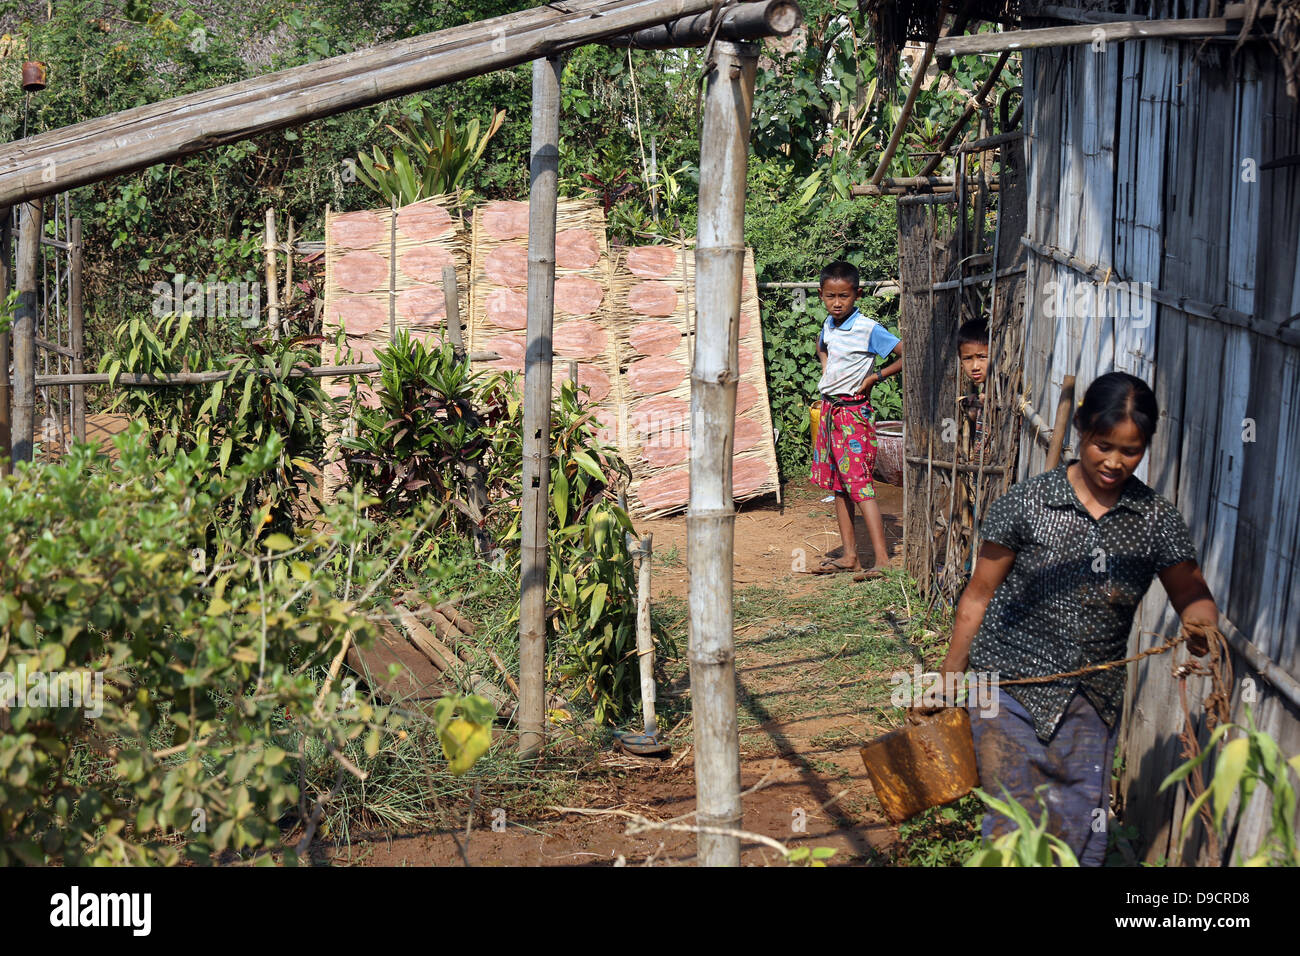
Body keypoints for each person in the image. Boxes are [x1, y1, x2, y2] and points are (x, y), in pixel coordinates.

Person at [934, 372, 1219, 866]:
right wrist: (949, 676)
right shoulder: (1028, 504)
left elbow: (1191, 592)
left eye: (1130, 451)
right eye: (1102, 444)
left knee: (1080, 828)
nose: (1113, 462)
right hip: (1007, 685)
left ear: (1146, 447)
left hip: (1093, 696)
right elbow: (978, 596)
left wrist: (1200, 626)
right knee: (1013, 823)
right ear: (1081, 431)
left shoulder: (1155, 520)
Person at [808, 260, 903, 579]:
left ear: (857, 294)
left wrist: (876, 376)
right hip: (830, 412)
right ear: (821, 294)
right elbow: (822, 347)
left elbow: (907, 352)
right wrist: (827, 369)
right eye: (831, 296)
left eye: (844, 296)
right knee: (839, 487)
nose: (837, 303)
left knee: (860, 486)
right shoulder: (828, 325)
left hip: (853, 415)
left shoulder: (868, 328)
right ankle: (850, 556)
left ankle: (882, 561)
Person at [956, 318, 989, 461]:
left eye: (982, 357)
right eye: (968, 359)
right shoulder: (979, 394)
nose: (975, 366)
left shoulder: (1005, 391)